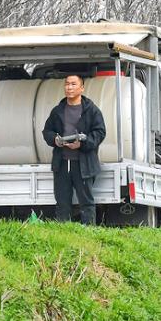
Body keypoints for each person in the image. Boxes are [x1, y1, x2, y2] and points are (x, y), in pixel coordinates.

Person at [42, 74, 106, 225]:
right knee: (62, 202)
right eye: (67, 84)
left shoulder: (92, 110)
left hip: (83, 164)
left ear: (81, 88)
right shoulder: (57, 110)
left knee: (87, 202)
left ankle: (89, 233)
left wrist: (82, 144)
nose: (69, 87)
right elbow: (47, 131)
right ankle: (63, 235)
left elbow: (100, 133)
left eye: (73, 84)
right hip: (62, 164)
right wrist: (55, 140)